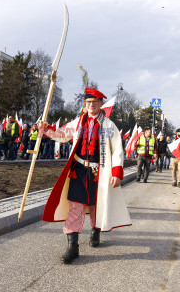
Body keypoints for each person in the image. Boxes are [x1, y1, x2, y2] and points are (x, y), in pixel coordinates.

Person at [39, 87, 130, 264]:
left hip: (100, 172)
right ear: (84, 104)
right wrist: (46, 129)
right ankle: (73, 247)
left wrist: (117, 172)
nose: (91, 105)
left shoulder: (109, 126)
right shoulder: (78, 122)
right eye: (88, 102)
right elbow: (63, 135)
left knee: (97, 206)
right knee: (75, 206)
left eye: (94, 102)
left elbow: (118, 150)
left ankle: (95, 231)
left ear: (100, 104)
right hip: (78, 170)